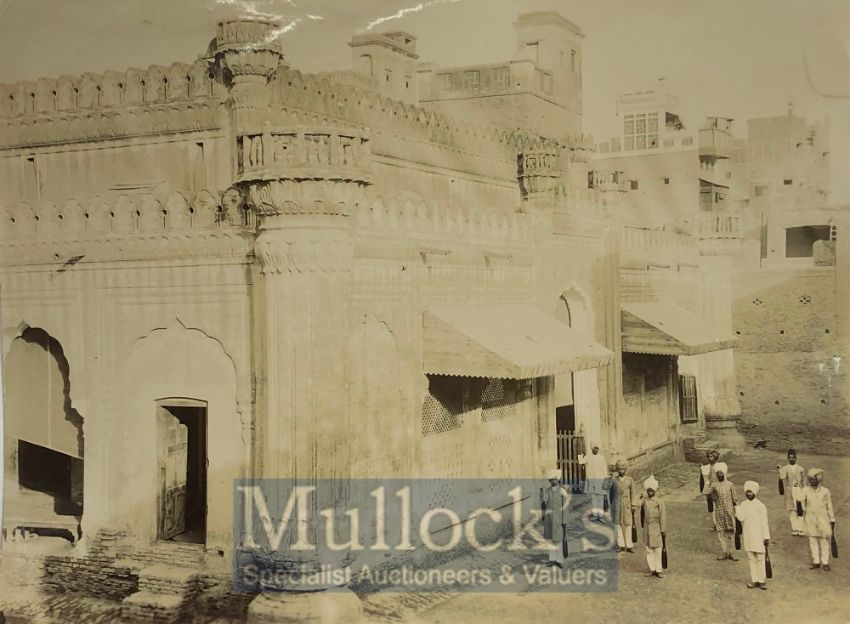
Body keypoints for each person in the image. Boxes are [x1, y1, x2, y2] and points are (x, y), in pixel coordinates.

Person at [735, 480, 770, 590]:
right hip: (748, 535)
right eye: (747, 492)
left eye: (751, 492)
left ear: (755, 492)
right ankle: (754, 580)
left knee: (760, 558)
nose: (749, 494)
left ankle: (761, 580)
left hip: (759, 536)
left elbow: (764, 522)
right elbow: (741, 517)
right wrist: (736, 507)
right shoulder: (744, 505)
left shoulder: (760, 506)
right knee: (751, 558)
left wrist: (766, 537)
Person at [800, 467, 836, 571]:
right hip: (810, 518)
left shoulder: (825, 491)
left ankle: (825, 562)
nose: (812, 481)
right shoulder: (805, 490)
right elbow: (801, 503)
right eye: (811, 479)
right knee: (812, 540)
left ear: (819, 479)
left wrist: (832, 519)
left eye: (814, 479)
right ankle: (816, 561)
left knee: (824, 540)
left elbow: (829, 506)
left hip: (823, 519)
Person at [707, 462, 738, 561]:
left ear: (724, 473)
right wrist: (706, 481)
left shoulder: (730, 485)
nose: (719, 475)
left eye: (721, 473)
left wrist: (737, 512)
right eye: (718, 473)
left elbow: (735, 499)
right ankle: (724, 552)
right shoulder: (714, 485)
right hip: (719, 512)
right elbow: (706, 492)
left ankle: (731, 553)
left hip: (729, 512)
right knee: (721, 533)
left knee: (731, 533)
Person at [540, 468, 571, 568]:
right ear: (550, 481)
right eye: (552, 480)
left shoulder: (562, 492)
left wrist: (564, 521)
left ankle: (559, 560)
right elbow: (544, 502)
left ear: (558, 479)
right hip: (549, 519)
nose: (553, 481)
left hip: (558, 519)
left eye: (555, 479)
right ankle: (552, 559)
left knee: (558, 540)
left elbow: (565, 508)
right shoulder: (548, 491)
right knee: (550, 540)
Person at [641, 475, 666, 578]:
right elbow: (641, 512)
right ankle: (652, 569)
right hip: (647, 529)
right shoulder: (645, 501)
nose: (650, 492)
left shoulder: (659, 502)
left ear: (654, 491)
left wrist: (663, 530)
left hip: (656, 528)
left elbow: (662, 517)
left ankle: (659, 569)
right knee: (649, 549)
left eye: (651, 491)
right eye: (648, 491)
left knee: (658, 549)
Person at [777, 449, 806, 536]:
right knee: (792, 510)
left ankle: (801, 529)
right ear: (788, 458)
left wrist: (804, 490)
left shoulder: (801, 469)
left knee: (800, 509)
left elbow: (804, 481)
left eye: (793, 457)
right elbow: (782, 477)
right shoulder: (785, 468)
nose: (791, 459)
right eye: (790, 457)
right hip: (790, 491)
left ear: (796, 458)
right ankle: (795, 529)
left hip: (799, 490)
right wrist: (780, 469)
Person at [612, 460, 637, 553]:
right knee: (617, 524)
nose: (621, 471)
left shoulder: (630, 480)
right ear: (617, 470)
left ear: (625, 470)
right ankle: (620, 545)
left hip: (627, 505)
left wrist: (633, 504)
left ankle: (629, 545)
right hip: (617, 504)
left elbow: (633, 493)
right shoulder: (614, 480)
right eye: (619, 469)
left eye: (623, 469)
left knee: (628, 524)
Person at [579, 442, 609, 521]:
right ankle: (595, 515)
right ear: (592, 449)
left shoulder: (601, 458)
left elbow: (604, 469)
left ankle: (601, 516)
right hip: (591, 480)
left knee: (600, 499)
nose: (596, 449)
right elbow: (581, 461)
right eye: (594, 448)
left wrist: (605, 480)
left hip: (600, 480)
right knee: (593, 498)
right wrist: (581, 454)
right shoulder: (588, 457)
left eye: (597, 448)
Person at [700, 450, 720, 530]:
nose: (710, 458)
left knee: (719, 506)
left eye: (712, 457)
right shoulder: (704, 468)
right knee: (712, 507)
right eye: (709, 457)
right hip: (709, 489)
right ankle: (716, 524)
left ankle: (721, 523)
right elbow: (702, 480)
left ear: (716, 457)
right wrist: (703, 490)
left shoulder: (721, 467)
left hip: (718, 488)